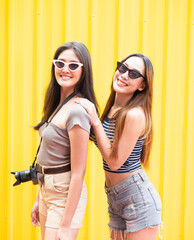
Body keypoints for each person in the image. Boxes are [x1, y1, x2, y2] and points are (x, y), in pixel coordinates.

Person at [75, 53, 163, 240]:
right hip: (116, 198)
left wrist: (94, 119)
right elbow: (97, 140)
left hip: (137, 199)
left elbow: (114, 162)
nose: (124, 74)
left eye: (133, 74)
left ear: (142, 85)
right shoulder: (113, 109)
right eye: (122, 68)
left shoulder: (134, 115)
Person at [30, 41, 98, 240]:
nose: (65, 69)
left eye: (73, 65)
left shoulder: (77, 110)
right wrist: (39, 198)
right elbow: (48, 155)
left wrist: (66, 225)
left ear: (83, 70)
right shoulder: (56, 103)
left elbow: (79, 172)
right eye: (60, 64)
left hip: (63, 194)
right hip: (47, 191)